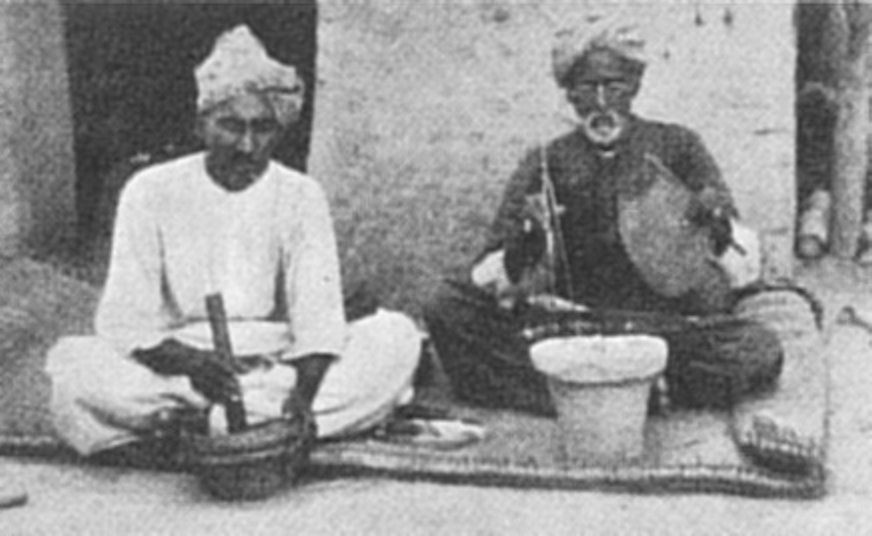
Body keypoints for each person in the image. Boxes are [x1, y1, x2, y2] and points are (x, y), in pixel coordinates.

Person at [45, 26, 431, 464]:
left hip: (272, 362)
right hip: (177, 366)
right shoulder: (150, 190)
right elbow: (124, 320)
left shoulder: (300, 195)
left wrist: (300, 402)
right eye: (231, 126)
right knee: (77, 376)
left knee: (395, 337)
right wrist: (194, 364)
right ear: (200, 124)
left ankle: (199, 428)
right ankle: (233, 423)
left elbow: (318, 319)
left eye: (262, 128)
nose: (247, 145)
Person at [424, 19, 798, 415]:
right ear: (569, 94)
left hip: (661, 329)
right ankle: (642, 394)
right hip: (573, 326)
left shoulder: (678, 146)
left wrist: (715, 222)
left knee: (758, 348)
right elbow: (488, 275)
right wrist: (526, 240)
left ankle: (574, 393)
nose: (602, 102)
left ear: (635, 86)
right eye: (587, 88)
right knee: (445, 308)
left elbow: (741, 268)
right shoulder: (546, 162)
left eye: (614, 86)